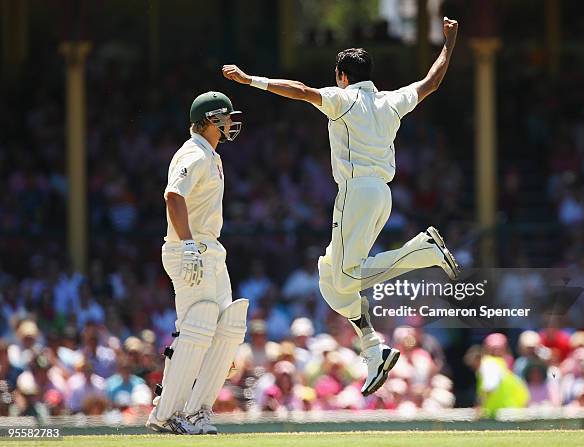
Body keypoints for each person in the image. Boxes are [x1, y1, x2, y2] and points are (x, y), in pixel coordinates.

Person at [222, 17, 460, 395]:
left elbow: (300, 91)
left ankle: (423, 251)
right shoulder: (390, 101)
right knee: (331, 281)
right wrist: (448, 43)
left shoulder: (343, 99)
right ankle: (373, 350)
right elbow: (431, 82)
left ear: (342, 75)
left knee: (347, 278)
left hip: (356, 192)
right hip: (381, 194)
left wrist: (251, 80)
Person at [146, 92, 249, 435]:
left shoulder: (211, 155)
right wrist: (188, 243)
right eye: (227, 118)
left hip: (210, 248)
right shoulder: (193, 153)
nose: (232, 123)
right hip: (190, 248)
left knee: (228, 329)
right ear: (210, 119)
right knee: (197, 329)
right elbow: (173, 195)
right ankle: (166, 413)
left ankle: (196, 412)